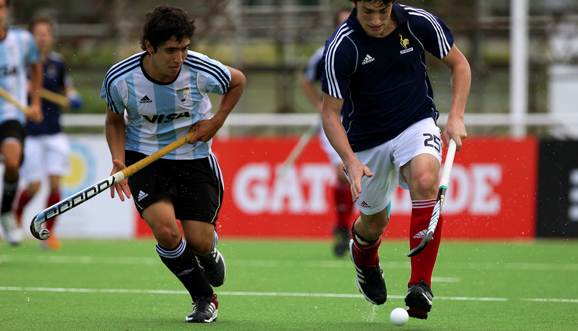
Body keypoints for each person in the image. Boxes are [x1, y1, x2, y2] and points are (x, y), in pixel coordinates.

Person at [321, 0, 470, 320]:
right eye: (367, 13)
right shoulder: (341, 46)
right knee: (374, 224)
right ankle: (364, 256)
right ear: (355, 5)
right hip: (365, 140)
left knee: (426, 181)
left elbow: (460, 65)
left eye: (382, 12)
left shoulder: (418, 23)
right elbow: (330, 115)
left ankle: (420, 285)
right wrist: (350, 160)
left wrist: (456, 115)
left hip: (415, 122)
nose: (375, 21)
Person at [101, 5, 245, 323]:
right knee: (166, 232)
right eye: (170, 50)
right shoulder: (121, 79)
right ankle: (204, 299)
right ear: (149, 47)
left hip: (194, 158)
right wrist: (118, 160)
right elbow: (114, 121)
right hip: (145, 159)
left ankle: (208, 253)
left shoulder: (200, 69)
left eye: (183, 48)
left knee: (199, 241)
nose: (178, 58)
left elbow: (238, 81)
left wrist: (216, 121)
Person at [14, 14, 83, 251]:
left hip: (54, 132)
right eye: (38, 34)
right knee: (33, 186)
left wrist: (72, 98)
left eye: (46, 34)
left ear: (51, 37)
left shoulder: (57, 62)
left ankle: (48, 233)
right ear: (30, 37)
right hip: (31, 132)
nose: (42, 38)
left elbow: (67, 88)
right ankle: (15, 218)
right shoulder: (21, 64)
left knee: (55, 185)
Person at [300, 8, 357, 257]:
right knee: (343, 173)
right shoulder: (325, 52)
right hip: (336, 120)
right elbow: (305, 79)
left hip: (368, 120)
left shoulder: (373, 47)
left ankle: (363, 229)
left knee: (370, 176)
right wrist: (320, 105)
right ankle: (344, 228)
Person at [0, 0, 43, 247]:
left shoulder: (23, 41)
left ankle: (6, 213)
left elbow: (36, 67)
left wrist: (35, 101)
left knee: (12, 161)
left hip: (10, 114)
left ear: (6, 11)